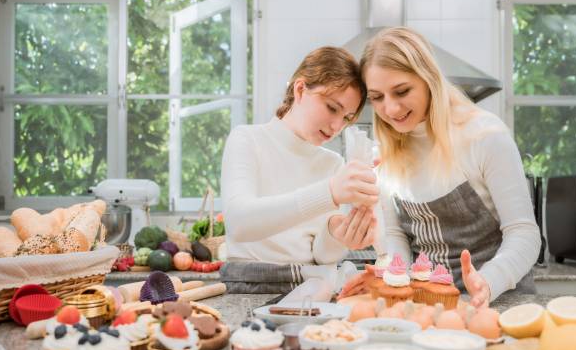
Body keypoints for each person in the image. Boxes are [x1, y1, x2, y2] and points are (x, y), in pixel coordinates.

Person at [340, 27, 541, 307]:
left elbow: (524, 234)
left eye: (402, 91)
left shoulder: (484, 136)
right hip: (426, 306)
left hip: (499, 303)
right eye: (377, 97)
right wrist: (392, 277)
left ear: (428, 79)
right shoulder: (385, 153)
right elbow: (397, 235)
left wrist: (489, 281)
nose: (391, 109)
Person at [220, 46, 379, 266]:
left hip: (308, 287)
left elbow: (322, 256)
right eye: (332, 108)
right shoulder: (247, 139)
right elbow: (239, 224)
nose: (337, 126)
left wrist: (337, 235)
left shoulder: (333, 164)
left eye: (346, 118)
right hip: (248, 287)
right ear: (300, 90)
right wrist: (329, 192)